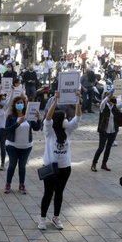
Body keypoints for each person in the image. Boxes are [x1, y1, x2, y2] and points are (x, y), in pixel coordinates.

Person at [39, 91, 82, 230]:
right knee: (48, 193)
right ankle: (42, 218)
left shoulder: (67, 130)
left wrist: (77, 100)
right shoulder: (49, 132)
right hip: (50, 166)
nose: (66, 120)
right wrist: (55, 101)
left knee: (59, 193)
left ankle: (56, 217)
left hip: (65, 167)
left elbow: (78, 117)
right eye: (63, 118)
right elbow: (48, 119)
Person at [4, 97, 42, 194]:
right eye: (18, 103)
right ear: (14, 105)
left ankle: (21, 185)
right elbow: (7, 130)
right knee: (12, 165)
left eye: (21, 103)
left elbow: (37, 128)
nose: (20, 104)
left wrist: (38, 119)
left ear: (25, 105)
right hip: (12, 145)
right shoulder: (10, 117)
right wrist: (17, 123)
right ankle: (8, 184)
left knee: (22, 166)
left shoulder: (28, 116)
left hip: (26, 146)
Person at [91, 93, 122, 172]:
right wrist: (108, 95)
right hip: (104, 130)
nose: (113, 98)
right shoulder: (103, 106)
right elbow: (103, 102)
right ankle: (94, 164)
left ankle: (104, 164)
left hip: (113, 130)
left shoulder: (115, 106)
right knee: (101, 148)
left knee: (108, 147)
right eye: (111, 97)